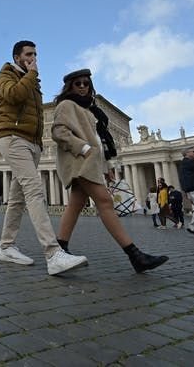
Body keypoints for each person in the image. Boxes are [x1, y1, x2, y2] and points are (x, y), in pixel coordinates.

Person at [52, 68, 168, 273]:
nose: (82, 86)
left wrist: (105, 167)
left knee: (75, 205)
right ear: (70, 86)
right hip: (81, 162)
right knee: (105, 202)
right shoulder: (66, 105)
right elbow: (59, 132)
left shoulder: (89, 110)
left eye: (85, 83)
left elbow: (98, 141)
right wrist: (84, 148)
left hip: (91, 163)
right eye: (77, 83)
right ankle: (134, 255)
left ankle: (59, 249)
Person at [0, 41, 88, 275]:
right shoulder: (6, 73)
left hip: (32, 143)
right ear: (17, 57)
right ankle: (53, 253)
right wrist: (32, 74)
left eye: (35, 54)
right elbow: (13, 95)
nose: (33, 58)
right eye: (28, 54)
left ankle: (6, 246)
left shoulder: (32, 80)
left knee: (17, 198)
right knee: (35, 189)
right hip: (14, 138)